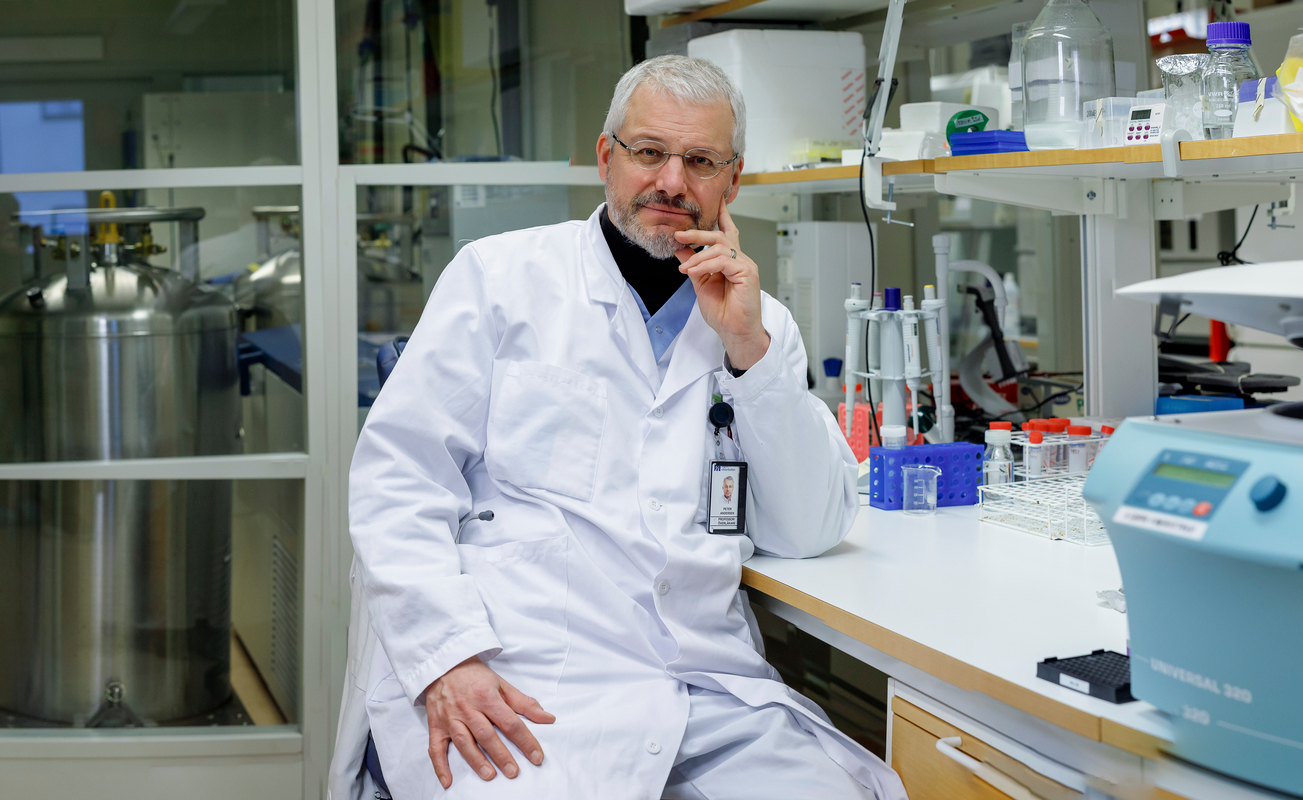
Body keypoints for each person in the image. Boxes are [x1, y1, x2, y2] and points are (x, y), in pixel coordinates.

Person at [331, 56, 900, 799]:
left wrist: (749, 353)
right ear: (607, 158)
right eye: (649, 152)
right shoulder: (501, 280)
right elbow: (398, 482)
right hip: (515, 681)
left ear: (732, 181)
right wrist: (448, 660)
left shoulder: (760, 324)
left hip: (699, 687)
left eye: (700, 161)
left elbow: (808, 527)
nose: (671, 181)